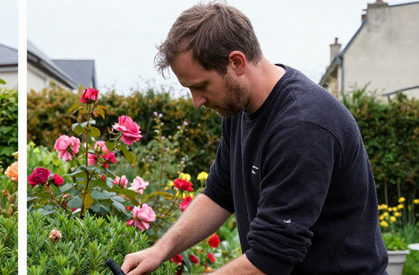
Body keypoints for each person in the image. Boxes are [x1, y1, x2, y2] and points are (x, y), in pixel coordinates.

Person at [121, 2, 387, 275]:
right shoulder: (238, 108)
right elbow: (219, 194)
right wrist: (159, 250)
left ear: (236, 62)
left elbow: (270, 258)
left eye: (201, 86)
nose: (197, 102)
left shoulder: (302, 126)